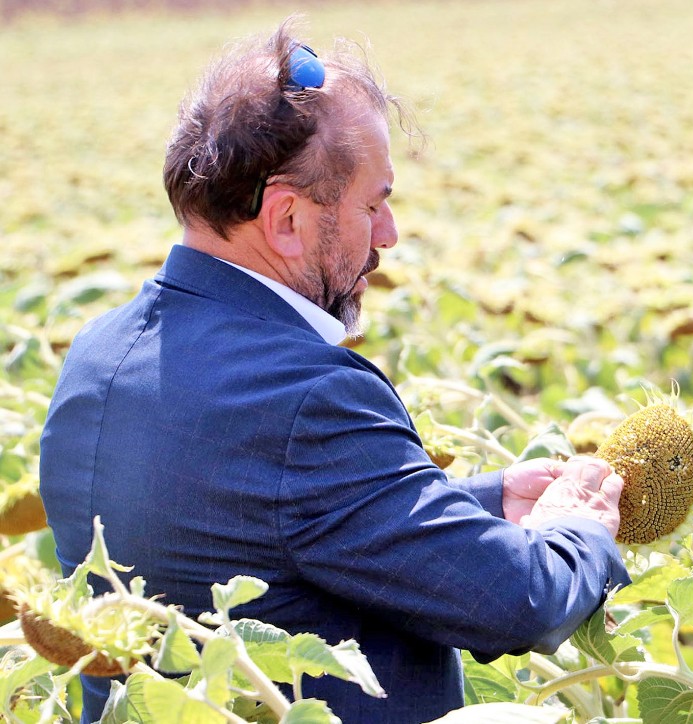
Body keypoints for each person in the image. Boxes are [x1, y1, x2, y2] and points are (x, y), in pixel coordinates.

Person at [39, 19, 629, 724]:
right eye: (373, 205)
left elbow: (261, 530)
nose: (389, 235)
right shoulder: (311, 398)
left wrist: (483, 500)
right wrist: (577, 528)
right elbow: (516, 602)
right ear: (286, 218)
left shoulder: (97, 351)